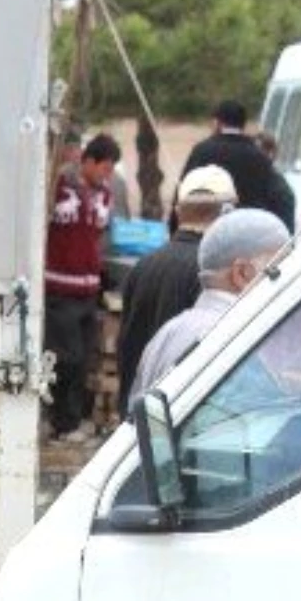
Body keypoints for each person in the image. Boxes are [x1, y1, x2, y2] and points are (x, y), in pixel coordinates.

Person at [116, 164, 237, 414]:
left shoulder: (143, 266)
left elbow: (126, 346)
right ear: (227, 214)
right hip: (177, 420)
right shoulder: (213, 276)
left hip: (136, 415)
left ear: (178, 212)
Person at [132, 207, 290, 397]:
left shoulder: (169, 332)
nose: (287, 278)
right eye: (280, 266)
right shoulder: (236, 342)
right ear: (242, 273)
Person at [43, 131, 121, 441]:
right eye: (104, 167)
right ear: (88, 161)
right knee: (66, 357)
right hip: (60, 287)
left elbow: (99, 237)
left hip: (89, 288)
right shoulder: (58, 188)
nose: (107, 174)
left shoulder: (105, 196)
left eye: (111, 168)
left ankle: (72, 420)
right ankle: (62, 422)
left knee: (84, 359)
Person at [177, 100, 295, 229]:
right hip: (249, 231)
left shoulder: (202, 151)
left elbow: (184, 192)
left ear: (217, 123)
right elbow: (278, 197)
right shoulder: (258, 155)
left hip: (208, 229)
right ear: (243, 124)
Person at [254, 128, 298, 233]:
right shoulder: (249, 180)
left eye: (258, 151)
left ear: (271, 154)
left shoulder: (279, 188)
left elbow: (287, 230)